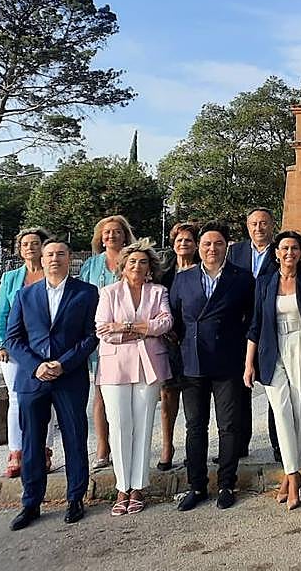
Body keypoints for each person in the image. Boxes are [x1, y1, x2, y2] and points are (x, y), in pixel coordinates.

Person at [5, 239, 99, 530]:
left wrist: (63, 364)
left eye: (60, 253)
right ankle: (31, 502)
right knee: (32, 442)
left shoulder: (86, 293)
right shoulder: (24, 295)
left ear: (69, 258)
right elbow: (13, 338)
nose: (55, 258)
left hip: (69, 377)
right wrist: (37, 366)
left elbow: (91, 336)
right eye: (49, 254)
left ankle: (75, 498)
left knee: (75, 437)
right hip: (32, 379)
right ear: (42, 259)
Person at [169, 221, 255, 511]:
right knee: (195, 426)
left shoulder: (242, 278)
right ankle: (196, 485)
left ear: (227, 246)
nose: (212, 249)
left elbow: (251, 319)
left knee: (228, 425)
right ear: (198, 247)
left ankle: (226, 483)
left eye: (218, 243)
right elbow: (175, 318)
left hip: (228, 360)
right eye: (206, 243)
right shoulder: (184, 279)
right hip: (193, 361)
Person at [95, 238, 173, 517]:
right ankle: (122, 486)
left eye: (142, 262)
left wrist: (125, 327)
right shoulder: (109, 292)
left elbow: (165, 323)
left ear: (150, 267)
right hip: (114, 367)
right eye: (132, 262)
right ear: (123, 266)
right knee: (119, 425)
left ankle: (138, 486)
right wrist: (141, 329)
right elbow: (103, 329)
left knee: (143, 425)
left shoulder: (158, 291)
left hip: (148, 365)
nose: (137, 266)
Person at [244, 231, 301, 510]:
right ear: (276, 253)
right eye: (284, 248)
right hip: (272, 348)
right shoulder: (264, 282)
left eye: (294, 248)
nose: (289, 253)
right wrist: (249, 363)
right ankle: (293, 475)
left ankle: (291, 477)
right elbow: (255, 323)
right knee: (281, 412)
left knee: (300, 413)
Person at [0, 227, 52, 480]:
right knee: (16, 399)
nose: (30, 247)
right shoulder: (10, 278)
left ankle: (43, 450)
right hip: (15, 346)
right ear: (19, 249)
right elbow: (1, 313)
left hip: (45, 345)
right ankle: (16, 452)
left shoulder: (52, 274)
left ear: (43, 247)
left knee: (46, 398)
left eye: (35, 243)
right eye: (25, 244)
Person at [79, 215, 135, 472]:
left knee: (129, 394)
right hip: (100, 337)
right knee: (101, 392)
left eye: (116, 231)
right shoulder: (91, 265)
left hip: (130, 336)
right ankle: (103, 446)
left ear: (125, 235)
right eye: (106, 232)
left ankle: (127, 443)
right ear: (100, 238)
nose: (111, 236)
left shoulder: (133, 259)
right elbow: (82, 299)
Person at [228, 208, 280, 461]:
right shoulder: (235, 252)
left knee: (274, 388)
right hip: (239, 330)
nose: (258, 228)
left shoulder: (281, 249)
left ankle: (279, 445)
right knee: (240, 391)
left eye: (263, 223)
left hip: (271, 327)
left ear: (272, 225)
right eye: (254, 224)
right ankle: (239, 445)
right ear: (247, 227)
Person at [156, 221, 199, 471]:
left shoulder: (202, 270)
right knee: (168, 395)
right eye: (179, 240)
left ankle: (193, 447)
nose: (184, 244)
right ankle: (167, 445)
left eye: (189, 240)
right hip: (168, 340)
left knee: (194, 398)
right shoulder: (164, 272)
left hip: (193, 340)